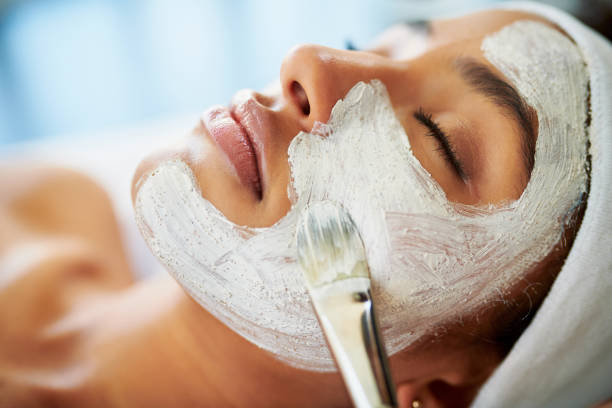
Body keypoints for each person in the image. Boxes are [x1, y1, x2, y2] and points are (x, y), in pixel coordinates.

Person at [0, 2, 610, 407]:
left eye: (439, 139)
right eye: (375, 45)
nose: (312, 62)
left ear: (445, 391)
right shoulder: (41, 201)